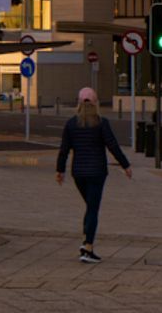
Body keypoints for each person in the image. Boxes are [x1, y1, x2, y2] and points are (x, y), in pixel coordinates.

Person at [54, 86, 133, 262]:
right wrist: (125, 165)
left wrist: (60, 170)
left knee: (90, 206)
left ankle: (86, 242)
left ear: (79, 104)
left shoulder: (71, 124)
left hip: (79, 173)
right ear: (96, 103)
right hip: (97, 172)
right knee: (93, 208)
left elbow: (64, 150)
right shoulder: (101, 123)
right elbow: (112, 145)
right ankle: (88, 246)